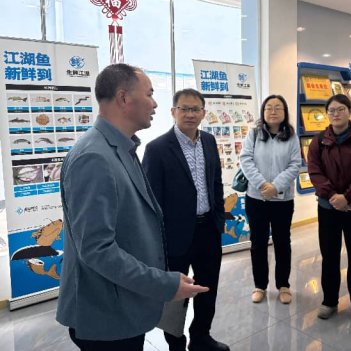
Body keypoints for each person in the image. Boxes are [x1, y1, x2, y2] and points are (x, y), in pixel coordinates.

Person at [56, 64, 208, 351]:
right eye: (149, 94)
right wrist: (163, 283)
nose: (155, 104)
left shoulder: (120, 148)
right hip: (105, 316)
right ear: (124, 98)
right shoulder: (94, 157)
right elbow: (97, 249)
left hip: (123, 305)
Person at [143, 89, 229, 351]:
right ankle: (175, 343)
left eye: (195, 109)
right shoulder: (157, 148)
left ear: (203, 113)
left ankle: (201, 336)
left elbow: (215, 183)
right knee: (174, 294)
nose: (190, 114)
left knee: (207, 288)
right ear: (173, 112)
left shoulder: (209, 141)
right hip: (174, 236)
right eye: (184, 109)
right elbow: (151, 200)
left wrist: (218, 219)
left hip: (208, 230)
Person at [307, 94, 351, 323]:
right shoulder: (319, 141)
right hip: (328, 208)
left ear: (349, 111)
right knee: (329, 256)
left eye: (340, 109)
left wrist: (347, 197)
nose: (335, 114)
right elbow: (314, 171)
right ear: (327, 114)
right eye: (331, 110)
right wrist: (332, 196)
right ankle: (329, 301)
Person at [239, 95, 301, 304]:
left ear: (285, 112)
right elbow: (245, 160)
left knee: (282, 242)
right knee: (258, 242)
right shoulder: (254, 133)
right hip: (256, 199)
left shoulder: (291, 136)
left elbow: (295, 164)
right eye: (269, 108)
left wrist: (275, 186)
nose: (273, 111)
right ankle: (260, 285)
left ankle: (283, 285)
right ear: (263, 112)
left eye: (278, 108)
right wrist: (262, 185)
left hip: (283, 200)